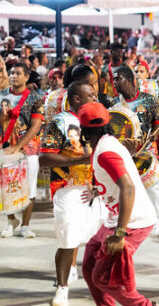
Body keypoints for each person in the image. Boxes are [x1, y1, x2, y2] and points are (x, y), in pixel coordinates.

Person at [78, 102, 157, 306]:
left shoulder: (106, 151)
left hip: (132, 222)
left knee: (106, 279)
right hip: (116, 218)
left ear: (83, 130)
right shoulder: (107, 142)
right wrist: (99, 190)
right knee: (89, 265)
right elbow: (118, 179)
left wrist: (120, 234)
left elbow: (128, 187)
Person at [40, 81, 103, 306]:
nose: (95, 99)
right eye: (91, 95)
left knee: (97, 241)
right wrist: (81, 159)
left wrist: (99, 185)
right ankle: (62, 288)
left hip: (94, 190)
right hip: (67, 189)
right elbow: (44, 157)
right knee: (67, 240)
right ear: (76, 99)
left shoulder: (98, 120)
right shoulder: (59, 122)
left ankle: (98, 287)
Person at [111, 66, 159, 236]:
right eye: (113, 79)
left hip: (145, 150)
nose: (114, 83)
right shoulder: (114, 104)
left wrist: (150, 138)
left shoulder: (149, 100)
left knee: (152, 187)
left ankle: (158, 221)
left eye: (117, 79)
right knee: (126, 187)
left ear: (129, 80)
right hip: (123, 152)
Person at [0, 62, 45, 239]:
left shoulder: (35, 98)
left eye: (18, 73)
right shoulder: (2, 95)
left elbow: (36, 126)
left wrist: (18, 146)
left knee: (29, 187)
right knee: (5, 187)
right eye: (11, 73)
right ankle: (10, 220)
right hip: (4, 147)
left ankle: (25, 225)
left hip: (28, 149)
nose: (14, 76)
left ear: (26, 77)